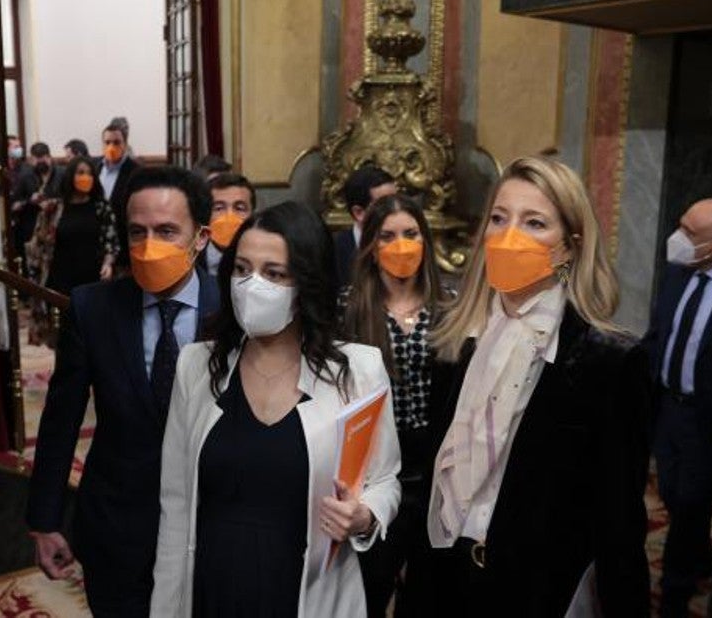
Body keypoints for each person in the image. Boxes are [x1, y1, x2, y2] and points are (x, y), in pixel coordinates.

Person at [400, 153, 651, 617]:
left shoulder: (609, 362)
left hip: (535, 593)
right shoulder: (459, 342)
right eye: (498, 218)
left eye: (534, 223)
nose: (509, 235)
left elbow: (618, 523)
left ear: (570, 246)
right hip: (444, 582)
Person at [151, 201, 402, 618]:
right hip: (212, 584)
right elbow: (174, 503)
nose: (253, 285)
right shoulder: (196, 366)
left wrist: (364, 516)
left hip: (307, 591)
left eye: (274, 274)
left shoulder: (359, 370)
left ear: (307, 283)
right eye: (242, 269)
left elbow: (385, 481)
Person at [26, 166, 219, 617]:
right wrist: (44, 519)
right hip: (116, 525)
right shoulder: (93, 308)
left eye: (167, 231)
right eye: (138, 232)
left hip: (211, 527)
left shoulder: (232, 307)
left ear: (202, 237)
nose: (149, 246)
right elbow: (60, 418)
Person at [339, 194, 453, 617]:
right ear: (370, 244)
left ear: (425, 240)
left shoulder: (451, 307)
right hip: (375, 464)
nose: (400, 244)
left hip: (437, 465)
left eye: (410, 233)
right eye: (387, 236)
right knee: (371, 581)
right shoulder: (349, 308)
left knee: (428, 589)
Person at [642, 198, 712, 618]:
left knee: (690, 508)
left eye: (688, 232)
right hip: (666, 408)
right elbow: (659, 333)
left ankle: (674, 593)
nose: (676, 238)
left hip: (708, 421)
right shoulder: (678, 271)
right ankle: (701, 555)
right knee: (670, 491)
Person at [23, 157, 116, 345]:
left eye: (90, 173)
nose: (86, 177)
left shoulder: (101, 207)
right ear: (70, 176)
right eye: (81, 173)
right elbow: (37, 245)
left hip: (92, 279)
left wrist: (108, 263)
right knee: (64, 337)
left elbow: (111, 240)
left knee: (93, 337)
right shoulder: (53, 208)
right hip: (60, 280)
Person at [333, 166, 396, 288]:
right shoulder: (333, 253)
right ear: (359, 213)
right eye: (385, 205)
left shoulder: (409, 244)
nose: (396, 209)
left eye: (397, 200)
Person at [11, 142, 60, 279]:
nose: (40, 162)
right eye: (36, 159)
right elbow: (13, 205)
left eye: (43, 158)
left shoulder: (61, 174)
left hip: (55, 230)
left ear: (49, 157)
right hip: (31, 231)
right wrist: (30, 201)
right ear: (31, 159)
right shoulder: (24, 176)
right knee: (33, 272)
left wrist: (53, 202)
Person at [97, 117, 141, 271]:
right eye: (107, 142)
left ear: (125, 144)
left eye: (116, 142)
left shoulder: (136, 171)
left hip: (124, 243)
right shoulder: (96, 168)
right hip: (98, 243)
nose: (111, 146)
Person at [199, 172, 255, 277]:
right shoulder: (190, 260)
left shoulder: (267, 256)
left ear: (252, 214)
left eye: (239, 208)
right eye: (219, 208)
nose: (230, 216)